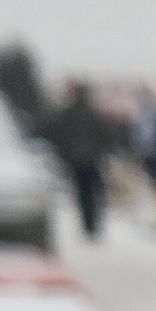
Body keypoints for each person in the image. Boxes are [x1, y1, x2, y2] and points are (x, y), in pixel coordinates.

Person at [51, 81, 112, 238]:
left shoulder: (67, 114)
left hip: (75, 160)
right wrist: (100, 153)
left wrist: (64, 156)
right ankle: (94, 224)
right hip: (92, 160)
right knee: (93, 192)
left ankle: (86, 225)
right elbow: (104, 135)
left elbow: (60, 136)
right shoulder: (93, 113)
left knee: (81, 193)